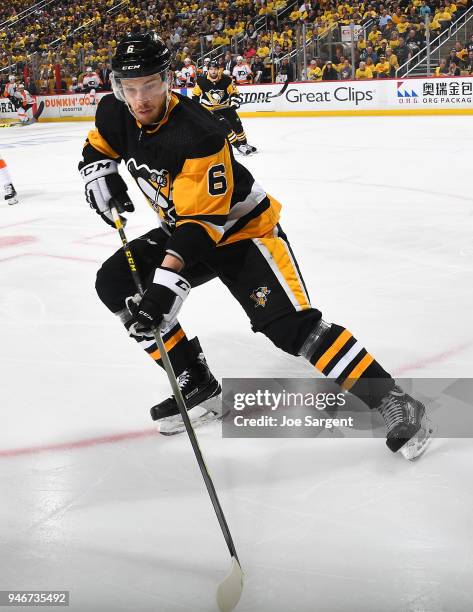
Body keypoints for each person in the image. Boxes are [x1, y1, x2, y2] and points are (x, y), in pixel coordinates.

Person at [78, 32, 432, 459]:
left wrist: (167, 282)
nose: (139, 98)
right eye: (129, 88)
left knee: (290, 328)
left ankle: (393, 398)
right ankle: (195, 380)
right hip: (185, 228)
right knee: (115, 281)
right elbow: (98, 146)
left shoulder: (199, 133)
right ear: (116, 86)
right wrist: (97, 171)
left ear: (167, 80)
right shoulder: (115, 112)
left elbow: (200, 225)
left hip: (243, 233)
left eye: (150, 85)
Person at [192, 61, 257, 155]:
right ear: (208, 70)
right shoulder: (201, 81)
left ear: (219, 70)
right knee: (224, 126)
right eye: (211, 69)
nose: (213, 71)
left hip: (225, 107)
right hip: (210, 110)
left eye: (215, 69)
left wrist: (234, 101)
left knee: (237, 124)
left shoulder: (226, 79)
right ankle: (238, 146)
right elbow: (195, 95)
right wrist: (197, 108)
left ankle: (244, 144)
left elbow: (234, 92)